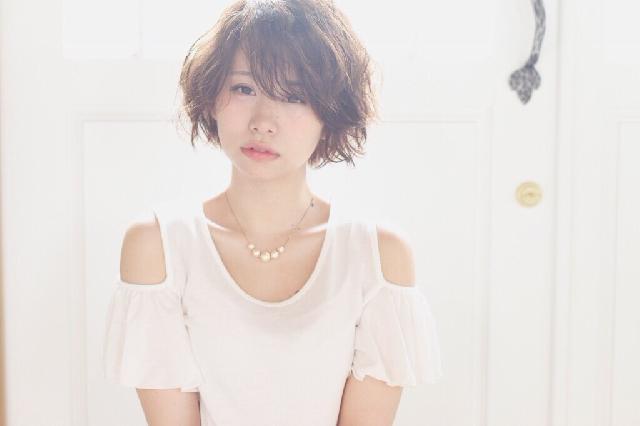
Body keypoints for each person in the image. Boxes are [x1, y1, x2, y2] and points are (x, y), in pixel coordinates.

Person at [102, 0, 443, 425]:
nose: (264, 121)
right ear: (212, 95)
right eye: (244, 88)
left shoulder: (377, 254)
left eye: (294, 96)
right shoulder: (158, 245)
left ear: (330, 112)